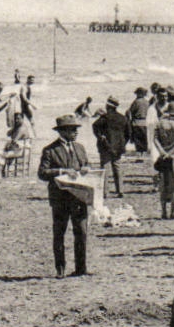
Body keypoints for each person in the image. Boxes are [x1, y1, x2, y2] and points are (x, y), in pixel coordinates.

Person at [38, 114, 91, 277]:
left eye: (76, 129)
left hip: (79, 197)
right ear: (62, 132)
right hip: (60, 199)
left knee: (81, 233)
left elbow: (87, 164)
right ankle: (60, 269)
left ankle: (81, 269)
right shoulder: (50, 150)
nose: (75, 132)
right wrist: (61, 171)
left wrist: (86, 169)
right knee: (59, 233)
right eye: (72, 130)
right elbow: (42, 173)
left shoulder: (80, 148)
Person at [91, 97, 131, 197]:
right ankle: (120, 190)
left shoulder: (104, 118)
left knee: (105, 169)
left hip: (105, 147)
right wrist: (122, 144)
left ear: (108, 106)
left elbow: (95, 126)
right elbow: (129, 133)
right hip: (118, 148)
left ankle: (105, 192)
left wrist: (100, 137)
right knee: (117, 168)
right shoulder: (123, 118)